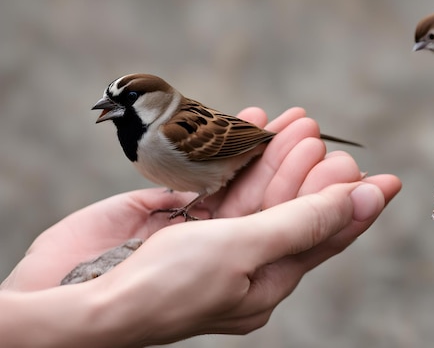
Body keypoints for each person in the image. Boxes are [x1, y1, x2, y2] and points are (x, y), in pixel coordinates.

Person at [0, 107, 401, 347]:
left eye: (129, 100)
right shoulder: (145, 136)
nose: (114, 107)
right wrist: (109, 310)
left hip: (225, 159)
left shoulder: (171, 133)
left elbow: (222, 148)